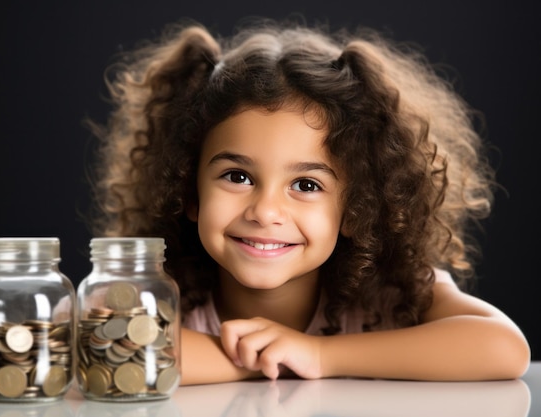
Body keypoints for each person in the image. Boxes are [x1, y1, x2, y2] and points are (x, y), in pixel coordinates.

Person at [86, 18, 530, 385]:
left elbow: (505, 349)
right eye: (237, 176)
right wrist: (263, 360)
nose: (265, 211)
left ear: (357, 208)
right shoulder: (161, 292)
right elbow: (103, 350)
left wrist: (320, 354)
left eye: (307, 185)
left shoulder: (389, 294)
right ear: (189, 193)